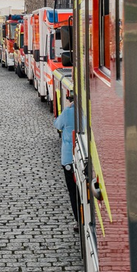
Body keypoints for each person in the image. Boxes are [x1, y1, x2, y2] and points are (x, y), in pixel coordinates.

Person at [53, 93, 79, 232]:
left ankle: (77, 220)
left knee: (72, 190)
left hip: (69, 157)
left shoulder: (68, 112)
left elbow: (57, 124)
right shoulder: (86, 112)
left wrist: (67, 108)